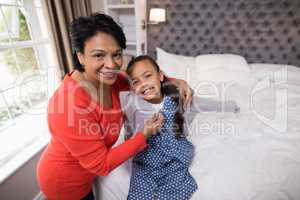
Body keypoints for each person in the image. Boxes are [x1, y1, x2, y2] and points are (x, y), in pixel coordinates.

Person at [36, 13, 193, 200]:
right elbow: (101, 165)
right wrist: (144, 134)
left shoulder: (111, 81)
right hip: (64, 182)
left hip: (87, 175)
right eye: (98, 55)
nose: (111, 65)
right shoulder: (66, 105)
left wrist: (177, 81)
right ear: (81, 56)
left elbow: (141, 81)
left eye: (117, 54)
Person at [120, 55, 198, 200]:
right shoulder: (132, 103)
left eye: (148, 76)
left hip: (174, 155)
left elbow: (198, 104)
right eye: (136, 82)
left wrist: (230, 106)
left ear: (160, 76)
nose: (143, 84)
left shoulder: (174, 96)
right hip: (145, 159)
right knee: (139, 192)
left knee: (175, 189)